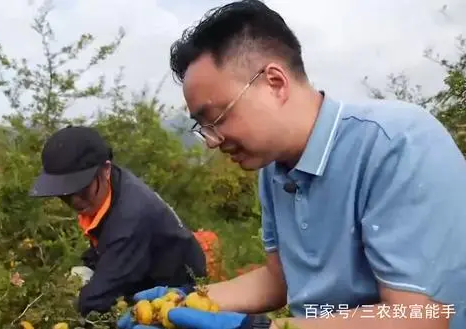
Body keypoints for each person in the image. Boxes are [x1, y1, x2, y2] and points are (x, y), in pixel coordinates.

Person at [117, 1, 466, 329]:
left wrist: (265, 327)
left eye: (217, 118)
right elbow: (278, 278)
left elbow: (421, 317)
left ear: (275, 83)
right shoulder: (274, 169)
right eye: (203, 128)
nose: (212, 140)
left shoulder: (396, 145)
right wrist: (188, 301)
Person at [28, 125, 207, 316]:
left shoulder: (131, 218)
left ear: (105, 169)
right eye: (64, 194)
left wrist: (61, 305)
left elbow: (95, 301)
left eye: (81, 190)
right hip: (143, 266)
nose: (74, 202)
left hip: (179, 293)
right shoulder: (112, 184)